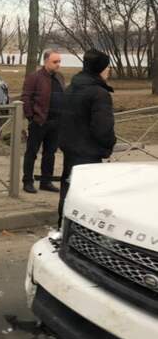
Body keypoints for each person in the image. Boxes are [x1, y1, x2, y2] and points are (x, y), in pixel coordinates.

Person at [58, 50, 116, 226]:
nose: (109, 71)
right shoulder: (99, 94)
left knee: (69, 190)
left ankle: (62, 226)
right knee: (85, 197)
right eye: (108, 68)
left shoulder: (72, 87)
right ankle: (78, 233)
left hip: (70, 148)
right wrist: (108, 144)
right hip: (88, 152)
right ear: (101, 69)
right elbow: (103, 128)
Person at [20, 49, 64, 194]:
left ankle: (46, 181)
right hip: (39, 121)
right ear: (46, 62)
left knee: (50, 153)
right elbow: (26, 98)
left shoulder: (60, 78)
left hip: (56, 122)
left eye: (59, 62)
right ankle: (27, 181)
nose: (58, 65)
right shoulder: (35, 77)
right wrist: (31, 117)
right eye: (55, 62)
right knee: (31, 152)